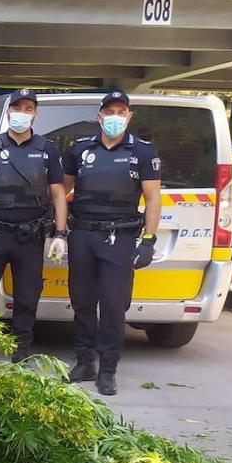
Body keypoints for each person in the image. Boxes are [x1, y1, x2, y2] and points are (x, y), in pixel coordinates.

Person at [62, 91, 161, 396]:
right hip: (83, 235)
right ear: (100, 116)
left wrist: (148, 240)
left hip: (120, 237)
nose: (115, 117)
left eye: (121, 112)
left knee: (113, 305)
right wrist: (59, 231)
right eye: (110, 112)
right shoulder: (80, 150)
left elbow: (153, 199)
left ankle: (108, 369)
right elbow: (60, 193)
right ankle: (84, 362)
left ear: (129, 116)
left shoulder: (142, 152)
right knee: (82, 302)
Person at [0, 89, 68, 362]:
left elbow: (58, 194)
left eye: (28, 108)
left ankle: (21, 352)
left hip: (30, 237)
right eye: (17, 107)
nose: (22, 113)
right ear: (9, 111)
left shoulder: (47, 149)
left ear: (35, 114)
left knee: (27, 298)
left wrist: (60, 234)